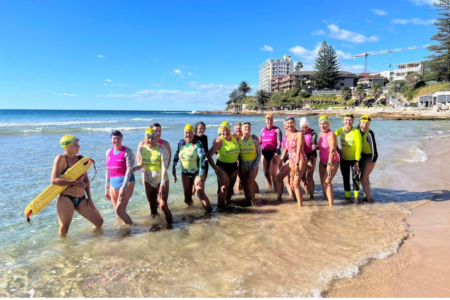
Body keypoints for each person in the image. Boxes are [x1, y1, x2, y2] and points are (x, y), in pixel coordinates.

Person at [51, 135, 103, 237]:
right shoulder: (60, 159)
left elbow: (86, 179)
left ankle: (94, 243)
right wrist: (74, 182)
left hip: (81, 198)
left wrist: (90, 198)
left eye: (78, 144)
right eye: (75, 145)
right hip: (66, 198)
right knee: (64, 230)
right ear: (66, 147)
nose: (78, 147)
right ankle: (65, 250)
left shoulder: (80, 159)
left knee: (99, 222)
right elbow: (54, 180)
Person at [133, 128, 172, 224]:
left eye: (153, 137)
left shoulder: (162, 149)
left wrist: (162, 184)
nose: (150, 140)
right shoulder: (142, 149)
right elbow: (142, 164)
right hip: (148, 181)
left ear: (156, 138)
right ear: (145, 138)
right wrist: (134, 169)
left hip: (161, 180)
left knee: (163, 205)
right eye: (148, 137)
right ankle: (156, 229)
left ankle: (171, 225)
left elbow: (164, 168)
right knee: (153, 208)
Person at [172, 124, 211, 212]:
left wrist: (201, 175)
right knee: (187, 198)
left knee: (200, 192)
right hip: (185, 173)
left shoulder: (197, 144)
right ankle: (191, 214)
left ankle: (209, 213)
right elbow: (176, 155)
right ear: (183, 133)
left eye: (190, 133)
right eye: (186, 133)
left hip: (197, 172)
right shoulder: (181, 143)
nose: (188, 135)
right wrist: (173, 169)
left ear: (193, 133)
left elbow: (202, 158)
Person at [105, 130, 135, 225]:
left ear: (122, 139)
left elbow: (129, 169)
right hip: (113, 184)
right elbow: (107, 171)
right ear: (111, 139)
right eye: (114, 138)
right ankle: (122, 231)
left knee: (120, 210)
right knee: (117, 213)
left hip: (127, 182)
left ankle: (133, 227)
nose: (116, 140)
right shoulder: (108, 152)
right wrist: (106, 188)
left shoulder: (128, 151)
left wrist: (123, 187)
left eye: (118, 138)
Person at [208, 122, 240, 209]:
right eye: (223, 131)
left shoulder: (234, 136)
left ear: (230, 130)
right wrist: (215, 169)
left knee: (230, 189)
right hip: (222, 167)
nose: (225, 132)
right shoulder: (219, 141)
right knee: (224, 188)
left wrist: (253, 137)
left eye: (227, 130)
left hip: (233, 166)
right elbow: (209, 155)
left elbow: (243, 135)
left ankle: (227, 204)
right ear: (220, 131)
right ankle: (220, 208)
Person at [276, 116, 307, 207]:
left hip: (300, 159)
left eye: (292, 123)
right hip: (291, 160)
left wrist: (297, 163)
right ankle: (296, 202)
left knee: (296, 183)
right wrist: (281, 159)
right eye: (288, 123)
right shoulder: (287, 134)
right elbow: (286, 148)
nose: (290, 125)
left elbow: (298, 151)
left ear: (295, 123)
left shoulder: (299, 134)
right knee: (292, 184)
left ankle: (301, 207)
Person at [136, 122, 171, 199]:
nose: (158, 133)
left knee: (162, 198)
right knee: (151, 199)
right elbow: (139, 160)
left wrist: (159, 172)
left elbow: (167, 161)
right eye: (156, 131)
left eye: (159, 131)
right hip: (147, 173)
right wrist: (148, 171)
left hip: (160, 173)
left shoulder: (165, 144)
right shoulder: (142, 144)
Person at [335, 113, 362, 204]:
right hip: (343, 159)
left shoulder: (356, 132)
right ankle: (347, 198)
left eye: (350, 120)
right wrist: (337, 149)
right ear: (343, 121)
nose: (348, 122)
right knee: (345, 178)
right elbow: (331, 137)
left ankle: (356, 198)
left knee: (355, 178)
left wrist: (357, 162)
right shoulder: (340, 130)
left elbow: (359, 148)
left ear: (353, 121)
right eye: (346, 120)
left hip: (355, 160)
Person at [317, 116, 340, 206]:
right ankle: (326, 201)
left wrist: (329, 165)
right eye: (321, 124)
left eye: (324, 123)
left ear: (328, 124)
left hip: (332, 162)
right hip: (322, 162)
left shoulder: (330, 134)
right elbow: (321, 147)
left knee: (327, 182)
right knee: (323, 183)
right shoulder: (320, 134)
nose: (323, 126)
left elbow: (332, 150)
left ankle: (331, 205)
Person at [238, 122, 261, 205]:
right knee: (244, 186)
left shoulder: (254, 140)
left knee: (249, 185)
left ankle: (254, 203)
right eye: (245, 127)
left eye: (249, 127)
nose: (247, 128)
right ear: (241, 129)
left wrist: (254, 167)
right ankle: (249, 202)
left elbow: (259, 154)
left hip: (252, 167)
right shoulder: (238, 141)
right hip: (242, 167)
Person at [358, 115, 378, 203]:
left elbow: (374, 150)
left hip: (371, 157)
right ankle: (367, 194)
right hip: (362, 156)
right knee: (366, 178)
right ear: (360, 123)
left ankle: (369, 200)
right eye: (363, 123)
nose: (365, 125)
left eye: (367, 123)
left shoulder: (370, 133)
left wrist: (373, 161)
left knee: (363, 177)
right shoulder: (356, 130)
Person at [260, 113, 282, 192]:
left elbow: (279, 144)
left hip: (274, 154)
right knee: (266, 173)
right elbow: (260, 142)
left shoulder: (277, 130)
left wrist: (276, 154)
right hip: (264, 153)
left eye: (271, 120)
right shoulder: (263, 129)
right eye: (268, 120)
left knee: (273, 174)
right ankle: (269, 189)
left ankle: (276, 191)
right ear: (265, 121)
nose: (270, 121)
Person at [299, 117, 318, 200]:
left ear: (308, 126)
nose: (304, 129)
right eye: (302, 127)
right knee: (302, 178)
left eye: (305, 127)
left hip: (311, 155)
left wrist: (311, 159)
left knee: (309, 176)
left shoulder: (313, 132)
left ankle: (312, 196)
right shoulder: (299, 133)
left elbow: (314, 146)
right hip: (302, 156)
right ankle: (307, 193)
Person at [234, 122, 243, 192]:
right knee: (239, 180)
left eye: (240, 129)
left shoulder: (246, 136)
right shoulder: (232, 138)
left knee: (249, 180)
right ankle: (239, 195)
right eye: (237, 129)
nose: (238, 131)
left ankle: (257, 194)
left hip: (247, 161)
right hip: (237, 161)